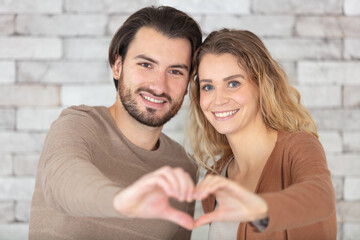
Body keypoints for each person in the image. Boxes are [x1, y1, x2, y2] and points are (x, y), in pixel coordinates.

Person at [29, 6, 202, 240]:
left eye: (175, 71)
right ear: (117, 66)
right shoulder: (78, 125)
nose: (159, 86)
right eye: (146, 65)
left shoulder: (183, 167)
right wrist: (120, 201)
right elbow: (63, 178)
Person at [187, 29, 337, 239]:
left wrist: (258, 209)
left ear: (261, 85)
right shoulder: (216, 176)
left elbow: (321, 198)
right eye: (208, 86)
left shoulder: (297, 147)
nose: (218, 100)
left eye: (233, 83)